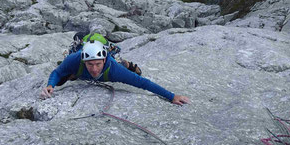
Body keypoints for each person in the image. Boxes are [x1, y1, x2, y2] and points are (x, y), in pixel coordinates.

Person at [41, 40, 190, 105]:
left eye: (97, 64)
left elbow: (143, 83)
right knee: (65, 72)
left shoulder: (115, 70)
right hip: (77, 56)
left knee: (131, 72)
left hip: (114, 63)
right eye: (90, 64)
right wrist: (50, 85)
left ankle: (125, 63)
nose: (93, 69)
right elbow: (57, 72)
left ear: (105, 60)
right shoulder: (75, 59)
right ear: (83, 61)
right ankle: (74, 72)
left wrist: (172, 96)